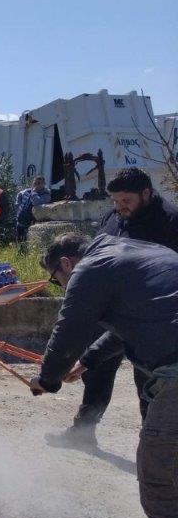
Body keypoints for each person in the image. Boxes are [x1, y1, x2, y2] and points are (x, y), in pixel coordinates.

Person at [30, 232, 178, 518]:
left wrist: (49, 377)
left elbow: (69, 325)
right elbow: (129, 325)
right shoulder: (146, 253)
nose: (62, 286)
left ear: (64, 263)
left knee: (160, 482)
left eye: (58, 281)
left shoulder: (91, 269)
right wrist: (88, 361)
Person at [49, 168, 178, 449]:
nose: (120, 207)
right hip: (110, 309)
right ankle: (83, 432)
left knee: (148, 381)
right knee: (94, 368)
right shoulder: (114, 216)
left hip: (149, 321)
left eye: (126, 201)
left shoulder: (169, 222)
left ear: (146, 193)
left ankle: (155, 446)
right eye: (115, 201)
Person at [15, 175, 51, 242]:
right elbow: (20, 194)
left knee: (28, 243)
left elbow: (36, 202)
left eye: (39, 183)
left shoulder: (46, 195)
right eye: (35, 183)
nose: (36, 185)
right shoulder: (28, 191)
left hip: (32, 224)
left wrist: (34, 192)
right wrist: (18, 204)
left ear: (44, 184)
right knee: (19, 243)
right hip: (20, 222)